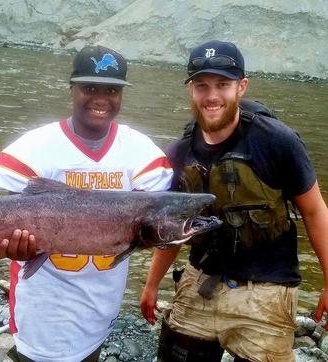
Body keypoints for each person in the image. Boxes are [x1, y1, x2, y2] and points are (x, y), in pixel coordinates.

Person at [140, 40, 328, 362]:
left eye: (222, 85)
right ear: (191, 90)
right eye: (202, 86)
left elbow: (314, 211)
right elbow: (172, 229)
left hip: (267, 290)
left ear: (241, 87)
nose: (212, 96)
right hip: (200, 281)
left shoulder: (278, 142)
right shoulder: (178, 154)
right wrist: (151, 284)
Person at [0, 45, 173, 362]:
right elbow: (5, 219)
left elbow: (152, 224)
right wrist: (5, 244)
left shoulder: (142, 153)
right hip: (44, 312)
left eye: (112, 90)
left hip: (101, 308)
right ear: (71, 87)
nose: (101, 99)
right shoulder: (32, 148)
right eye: (90, 87)